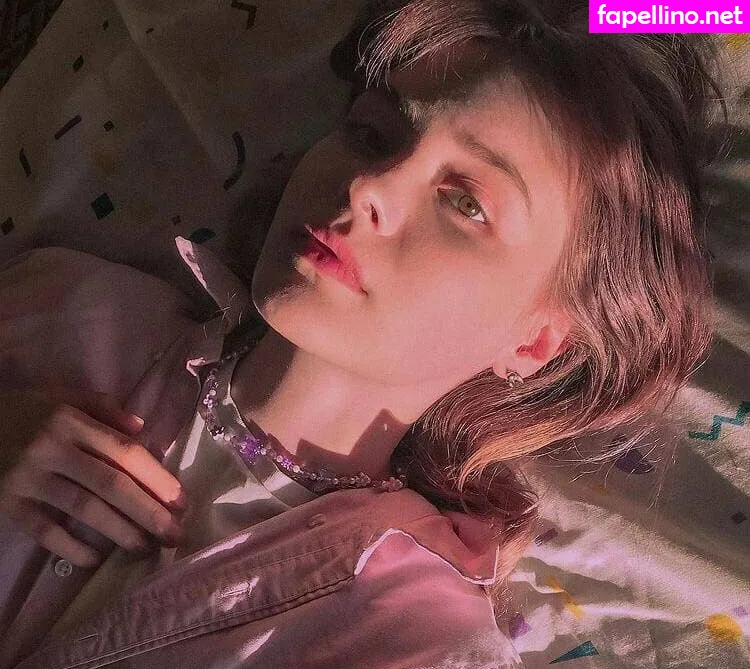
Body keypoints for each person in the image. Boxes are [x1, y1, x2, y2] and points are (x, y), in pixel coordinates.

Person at [0, 0, 722, 667]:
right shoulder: (61, 308)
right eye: (372, 133)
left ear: (533, 342)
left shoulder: (413, 638)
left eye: (466, 203)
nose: (367, 187)